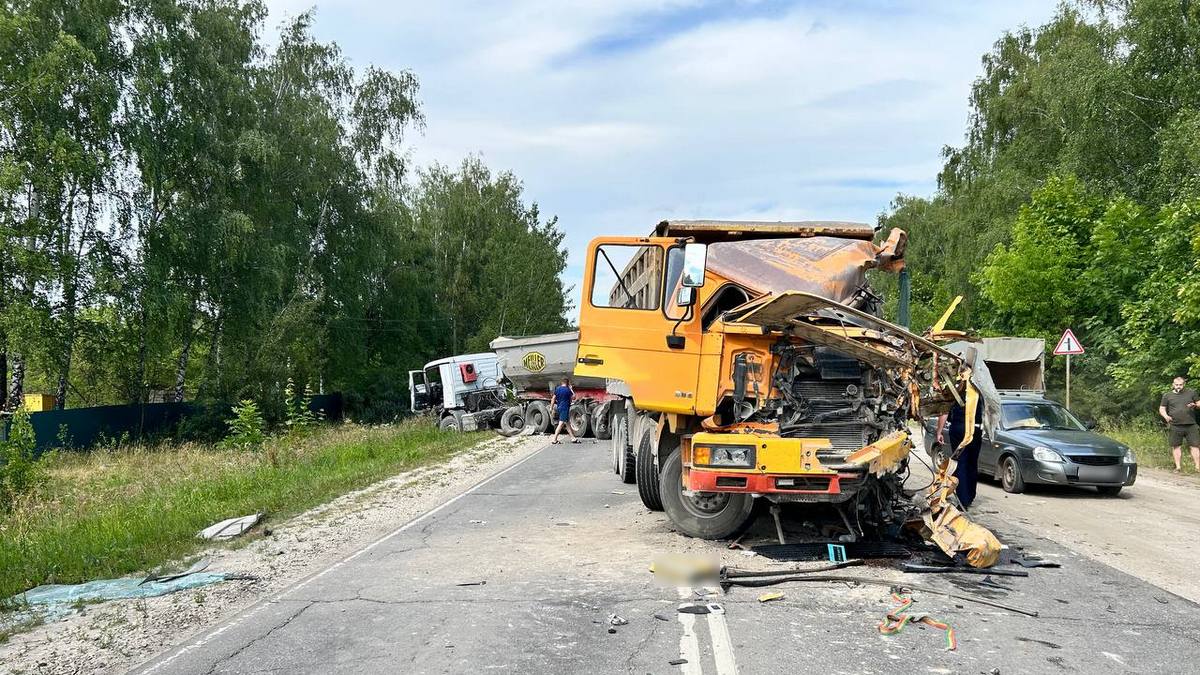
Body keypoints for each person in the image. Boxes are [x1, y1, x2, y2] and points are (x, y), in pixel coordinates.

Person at [936, 401, 983, 509]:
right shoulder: (978, 388)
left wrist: (939, 432)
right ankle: (970, 496)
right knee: (972, 463)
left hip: (959, 428)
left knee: (961, 463)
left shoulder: (954, 389)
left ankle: (963, 501)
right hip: (976, 429)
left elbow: (944, 411)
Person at [1159, 376, 1200, 473]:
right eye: (1176, 385)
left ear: (1184, 385)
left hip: (1191, 424)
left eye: (1180, 385)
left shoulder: (1191, 393)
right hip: (1175, 425)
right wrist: (1166, 416)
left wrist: (1195, 405)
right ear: (1173, 385)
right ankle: (1178, 467)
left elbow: (1199, 403)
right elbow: (1162, 408)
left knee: (1195, 445)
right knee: (1176, 446)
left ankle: (1198, 467)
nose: (1178, 386)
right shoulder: (1167, 395)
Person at [551, 377, 579, 445]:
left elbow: (553, 398)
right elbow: (574, 397)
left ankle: (573, 438)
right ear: (568, 383)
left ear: (562, 382)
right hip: (565, 408)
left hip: (559, 408)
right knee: (561, 424)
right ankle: (554, 439)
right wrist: (571, 389)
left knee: (567, 423)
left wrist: (551, 408)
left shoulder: (557, 389)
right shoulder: (568, 390)